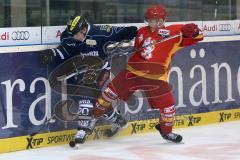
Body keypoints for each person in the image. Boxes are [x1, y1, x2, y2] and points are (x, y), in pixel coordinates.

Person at [93, 4, 204, 143]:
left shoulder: (175, 32)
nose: (152, 23)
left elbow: (200, 36)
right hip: (133, 72)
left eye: (155, 20)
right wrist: (127, 50)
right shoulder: (141, 32)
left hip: (156, 77)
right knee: (107, 94)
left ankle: (166, 132)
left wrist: (194, 31)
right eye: (150, 20)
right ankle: (93, 120)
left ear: (162, 20)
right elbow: (137, 51)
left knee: (168, 107)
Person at [42, 15, 137, 145]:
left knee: (85, 95)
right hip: (80, 72)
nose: (74, 37)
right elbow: (65, 50)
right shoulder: (68, 35)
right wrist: (52, 54)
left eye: (76, 34)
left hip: (100, 71)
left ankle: (82, 130)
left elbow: (119, 32)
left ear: (84, 29)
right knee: (91, 100)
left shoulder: (101, 32)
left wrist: (130, 32)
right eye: (72, 34)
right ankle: (116, 118)